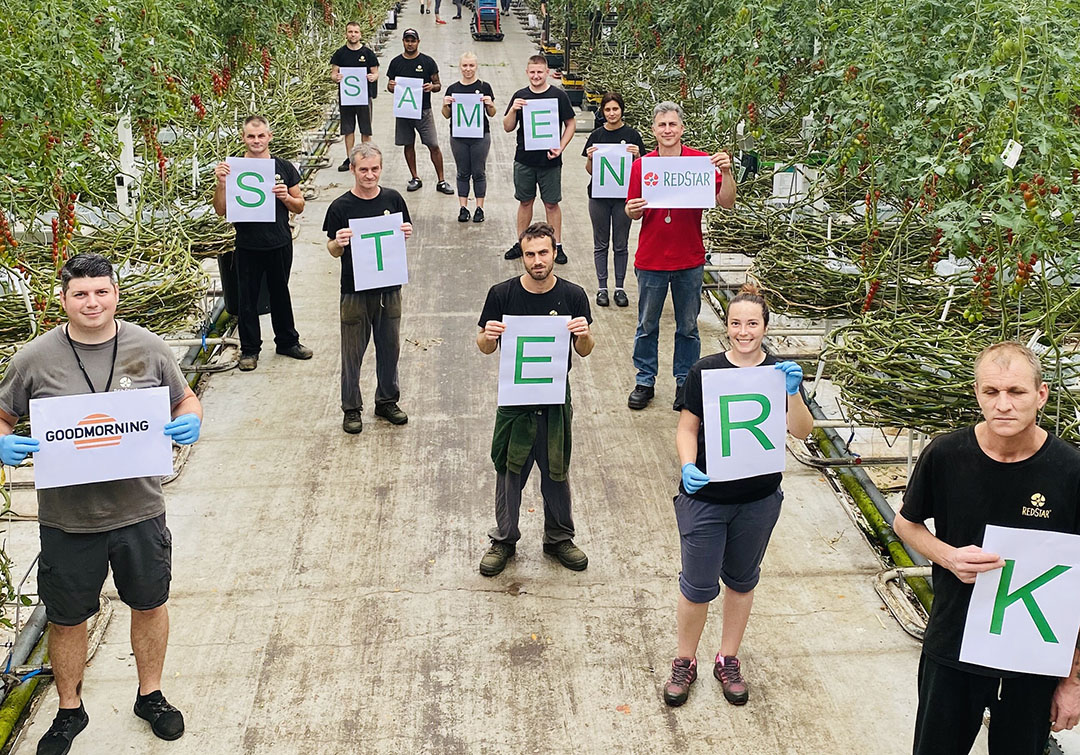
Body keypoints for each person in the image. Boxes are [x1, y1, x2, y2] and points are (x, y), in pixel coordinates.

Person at [0, 253, 203, 754]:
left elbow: (184, 399)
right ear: (63, 298)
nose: (92, 302)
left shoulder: (148, 347)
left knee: (150, 604)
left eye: (101, 291)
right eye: (80, 293)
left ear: (115, 293)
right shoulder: (33, 358)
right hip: (68, 520)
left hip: (140, 510)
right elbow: (2, 415)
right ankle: (70, 708)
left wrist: (192, 418)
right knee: (67, 618)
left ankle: (150, 696)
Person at [894, 341, 1080, 755]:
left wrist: (1072, 680)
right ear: (976, 394)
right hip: (953, 640)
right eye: (991, 392)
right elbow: (905, 522)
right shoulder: (946, 455)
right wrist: (948, 556)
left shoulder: (1070, 471)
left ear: (1041, 394)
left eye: (1016, 392)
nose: (1003, 405)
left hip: (1032, 657)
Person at [663, 284, 812, 709]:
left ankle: (727, 658)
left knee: (742, 581)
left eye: (752, 323)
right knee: (696, 586)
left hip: (759, 501)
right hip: (706, 500)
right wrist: (687, 464)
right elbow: (687, 428)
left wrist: (793, 393)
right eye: (735, 323)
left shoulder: (780, 372)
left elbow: (802, 431)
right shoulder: (704, 371)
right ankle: (684, 660)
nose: (743, 331)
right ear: (726, 326)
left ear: (765, 327)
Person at [476, 222, 593, 576]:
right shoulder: (502, 294)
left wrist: (585, 334)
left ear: (555, 252)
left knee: (556, 468)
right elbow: (483, 346)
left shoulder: (573, 295)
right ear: (521, 256)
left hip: (556, 396)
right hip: (516, 396)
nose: (537, 260)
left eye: (544, 253)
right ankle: (504, 539)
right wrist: (489, 336)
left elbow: (585, 351)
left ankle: (559, 537)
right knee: (509, 469)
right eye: (530, 254)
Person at [624, 101, 735, 411]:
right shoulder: (642, 166)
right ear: (653, 130)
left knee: (688, 326)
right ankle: (645, 380)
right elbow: (632, 210)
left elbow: (726, 202)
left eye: (673, 124)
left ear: (682, 128)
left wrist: (726, 172)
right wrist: (630, 209)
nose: (668, 130)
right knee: (647, 324)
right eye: (662, 125)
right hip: (651, 259)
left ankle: (684, 382)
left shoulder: (700, 164)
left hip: (689, 259)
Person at [323, 143, 413, 434]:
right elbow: (332, 250)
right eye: (363, 169)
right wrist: (339, 242)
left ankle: (387, 401)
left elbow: (400, 238)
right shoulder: (340, 207)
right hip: (353, 291)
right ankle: (351, 408)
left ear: (381, 168)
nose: (370, 175)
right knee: (352, 353)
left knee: (390, 348)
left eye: (375, 169)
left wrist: (405, 233)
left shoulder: (394, 199)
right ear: (352, 170)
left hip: (389, 288)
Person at [212, 115, 312, 371]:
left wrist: (286, 197)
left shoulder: (284, 167)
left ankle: (288, 341)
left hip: (279, 240)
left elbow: (299, 205)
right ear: (243, 138)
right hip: (247, 244)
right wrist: (221, 185)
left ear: (269, 137)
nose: (256, 141)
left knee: (281, 292)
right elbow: (221, 210)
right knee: (247, 298)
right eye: (251, 136)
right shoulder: (233, 169)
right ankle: (249, 350)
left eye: (260, 136)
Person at [502, 55, 576, 265]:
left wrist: (560, 147)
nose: (536, 76)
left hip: (550, 162)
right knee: (525, 201)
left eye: (540, 72)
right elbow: (507, 127)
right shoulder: (520, 96)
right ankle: (522, 242)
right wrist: (513, 109)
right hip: (524, 159)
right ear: (527, 72)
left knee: (551, 203)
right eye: (532, 72)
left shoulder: (558, 96)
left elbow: (570, 123)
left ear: (547, 73)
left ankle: (557, 245)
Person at [582, 92, 645, 308]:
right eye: (607, 110)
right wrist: (590, 158)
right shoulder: (596, 136)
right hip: (599, 197)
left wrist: (637, 156)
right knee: (600, 243)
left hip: (623, 198)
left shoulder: (633, 136)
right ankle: (602, 288)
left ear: (622, 110)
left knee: (621, 244)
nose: (611, 113)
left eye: (615, 109)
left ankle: (619, 287)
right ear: (602, 111)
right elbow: (590, 170)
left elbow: (640, 170)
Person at [385, 29, 454, 195]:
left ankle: (441, 180)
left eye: (413, 40)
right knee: (408, 144)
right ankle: (415, 177)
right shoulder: (395, 63)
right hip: (404, 110)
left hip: (423, 110)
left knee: (433, 144)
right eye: (407, 40)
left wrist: (432, 87)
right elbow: (389, 85)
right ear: (403, 41)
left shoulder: (427, 62)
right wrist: (392, 87)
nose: (410, 43)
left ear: (418, 41)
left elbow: (438, 85)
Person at [441, 52, 496, 224]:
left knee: (479, 172)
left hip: (480, 135)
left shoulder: (485, 87)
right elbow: (446, 115)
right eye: (465, 65)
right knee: (462, 172)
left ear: (476, 66)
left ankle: (479, 208)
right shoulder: (453, 89)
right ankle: (463, 208)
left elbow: (492, 114)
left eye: (471, 65)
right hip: (458, 135)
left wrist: (490, 103)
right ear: (460, 67)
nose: (468, 69)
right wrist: (445, 104)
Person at [330, 21, 380, 171]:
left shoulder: (367, 54)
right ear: (346, 34)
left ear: (360, 34)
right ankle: (350, 159)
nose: (353, 34)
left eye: (355, 32)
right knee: (348, 129)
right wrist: (336, 78)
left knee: (365, 129)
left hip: (364, 97)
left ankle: (365, 157)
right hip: (347, 97)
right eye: (350, 32)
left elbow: (375, 72)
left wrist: (373, 77)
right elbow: (333, 73)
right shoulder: (340, 54)